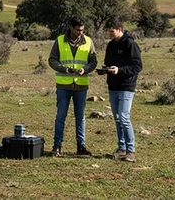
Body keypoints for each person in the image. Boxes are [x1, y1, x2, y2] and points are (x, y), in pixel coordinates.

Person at [49, 17, 98, 157]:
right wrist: (64, 69)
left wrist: (85, 69)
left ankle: (81, 146)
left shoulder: (88, 41)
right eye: (78, 30)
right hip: (63, 85)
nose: (80, 33)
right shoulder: (59, 41)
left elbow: (93, 61)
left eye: (82, 30)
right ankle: (57, 146)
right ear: (71, 27)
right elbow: (52, 60)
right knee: (61, 116)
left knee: (80, 117)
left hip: (81, 86)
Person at [102, 17, 142, 162]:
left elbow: (137, 66)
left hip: (126, 86)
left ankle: (131, 151)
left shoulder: (130, 44)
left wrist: (119, 70)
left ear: (119, 29)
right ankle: (121, 148)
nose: (109, 34)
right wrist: (105, 69)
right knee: (118, 119)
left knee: (124, 118)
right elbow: (108, 62)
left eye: (112, 31)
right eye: (108, 32)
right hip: (113, 86)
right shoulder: (111, 45)